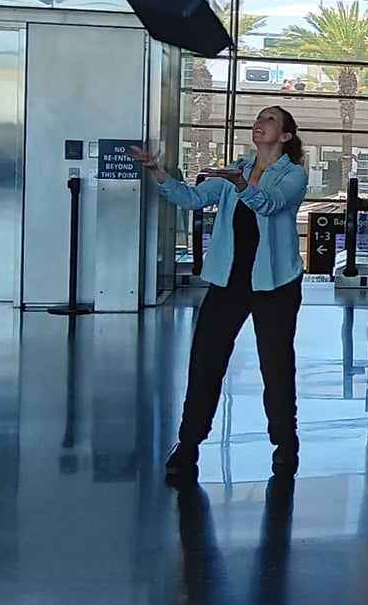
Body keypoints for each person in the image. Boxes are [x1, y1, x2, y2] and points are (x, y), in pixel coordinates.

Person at [130, 106, 308, 486]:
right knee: (206, 361)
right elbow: (191, 199)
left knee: (276, 366)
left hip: (275, 283)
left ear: (286, 136)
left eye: (270, 119)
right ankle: (188, 445)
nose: (260, 123)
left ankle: (285, 445)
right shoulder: (235, 168)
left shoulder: (293, 175)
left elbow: (270, 204)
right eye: (258, 117)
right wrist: (156, 172)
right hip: (229, 281)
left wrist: (241, 184)